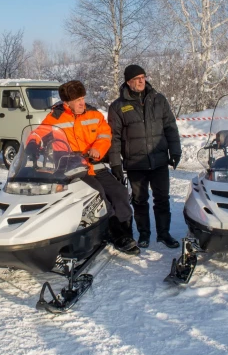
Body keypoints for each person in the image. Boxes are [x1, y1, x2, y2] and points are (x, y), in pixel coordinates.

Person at [26, 80, 140, 255]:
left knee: (120, 193)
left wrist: (98, 149)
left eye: (83, 98)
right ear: (67, 103)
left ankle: (125, 231)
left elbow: (105, 134)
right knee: (99, 195)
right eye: (78, 100)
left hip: (95, 165)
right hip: (70, 169)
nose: (82, 103)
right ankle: (116, 234)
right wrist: (32, 144)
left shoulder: (94, 114)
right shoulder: (55, 117)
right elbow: (38, 133)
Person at [108, 65, 182, 249]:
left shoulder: (159, 100)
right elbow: (114, 137)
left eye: (143, 77)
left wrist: (175, 151)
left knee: (162, 199)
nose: (142, 81)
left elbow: (170, 128)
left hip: (159, 161)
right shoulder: (118, 106)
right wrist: (115, 162)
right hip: (136, 163)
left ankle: (164, 233)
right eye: (137, 78)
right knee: (140, 201)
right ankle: (144, 234)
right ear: (128, 82)